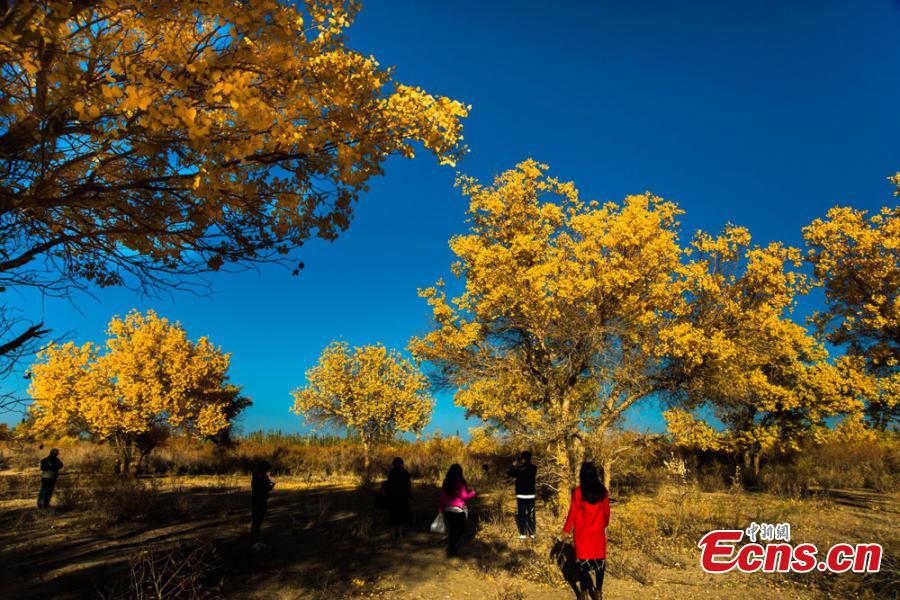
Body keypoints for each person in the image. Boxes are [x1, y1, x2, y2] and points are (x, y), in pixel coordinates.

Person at [561, 462, 610, 600]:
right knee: (599, 563)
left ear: (582, 475)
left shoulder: (578, 492)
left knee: (583, 565)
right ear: (595, 475)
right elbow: (606, 512)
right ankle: (598, 593)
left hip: (582, 535)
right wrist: (604, 525)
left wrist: (566, 530)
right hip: (597, 534)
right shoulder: (603, 492)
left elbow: (573, 513)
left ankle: (583, 594)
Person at [439, 463, 476, 557]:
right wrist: (472, 493)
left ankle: (451, 547)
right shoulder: (460, 482)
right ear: (460, 472)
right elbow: (465, 496)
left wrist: (441, 508)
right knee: (459, 530)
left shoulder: (446, 482)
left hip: (447, 509)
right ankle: (452, 547)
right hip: (458, 510)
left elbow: (442, 496)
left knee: (452, 529)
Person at [507, 450, 537, 539]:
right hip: (531, 495)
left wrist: (513, 465)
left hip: (521, 495)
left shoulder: (519, 469)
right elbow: (529, 467)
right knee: (531, 514)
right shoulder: (534, 468)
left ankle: (522, 534)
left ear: (523, 459)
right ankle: (532, 533)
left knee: (522, 514)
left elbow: (509, 473)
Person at [382, 457, 412, 538]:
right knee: (394, 515)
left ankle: (399, 533)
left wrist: (407, 494)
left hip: (401, 497)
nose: (397, 464)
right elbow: (389, 484)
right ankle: (394, 533)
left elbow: (408, 485)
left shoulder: (403, 472)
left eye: (398, 462)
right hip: (394, 497)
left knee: (399, 515)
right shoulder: (393, 473)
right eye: (396, 463)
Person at [250, 460, 275, 546]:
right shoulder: (263, 476)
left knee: (255, 521)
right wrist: (271, 486)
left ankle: (254, 540)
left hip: (255, 500)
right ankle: (254, 541)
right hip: (261, 500)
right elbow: (266, 488)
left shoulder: (255, 475)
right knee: (258, 521)